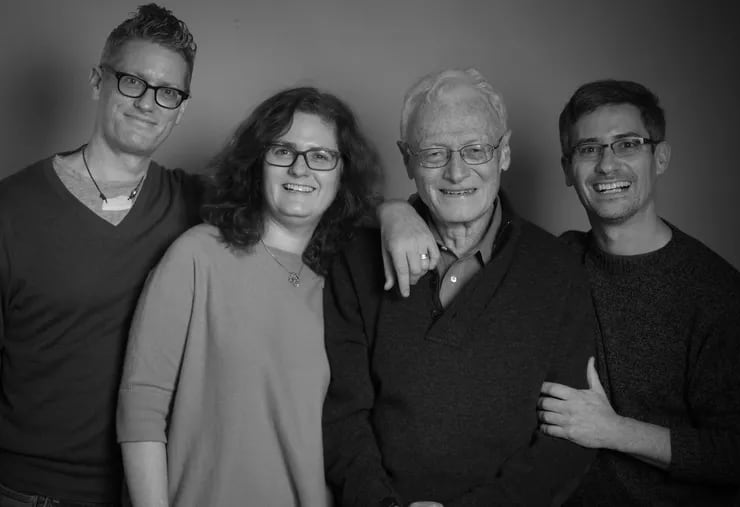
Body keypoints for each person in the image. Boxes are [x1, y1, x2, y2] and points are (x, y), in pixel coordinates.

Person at [322, 68, 600, 507]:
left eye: (476, 149)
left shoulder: (559, 269)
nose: (456, 172)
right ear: (406, 158)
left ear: (503, 153)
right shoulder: (357, 262)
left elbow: (568, 439)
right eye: (434, 153)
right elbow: (341, 418)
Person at [116, 87, 381, 506]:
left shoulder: (344, 286)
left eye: (320, 156)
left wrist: (398, 213)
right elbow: (141, 410)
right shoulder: (197, 255)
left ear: (341, 173)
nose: (300, 169)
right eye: (283, 151)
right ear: (258, 162)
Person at [0, 4, 199, 505]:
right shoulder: (10, 209)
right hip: (33, 492)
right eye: (132, 81)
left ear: (180, 108)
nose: (148, 104)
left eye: (168, 92)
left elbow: (299, 202)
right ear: (97, 82)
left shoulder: (197, 205)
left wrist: (398, 214)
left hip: (150, 489)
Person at [536, 79, 740, 506]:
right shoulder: (557, 261)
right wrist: (395, 214)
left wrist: (614, 431)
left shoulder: (719, 295)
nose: (606, 165)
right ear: (568, 169)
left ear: (660, 157)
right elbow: (471, 236)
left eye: (627, 145)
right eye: (588, 149)